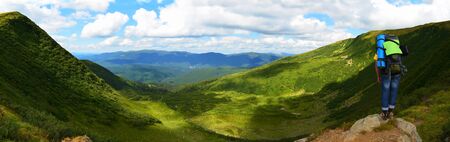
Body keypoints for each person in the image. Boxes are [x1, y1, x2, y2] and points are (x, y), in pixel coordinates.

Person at [374, 34, 408, 120]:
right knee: (394, 89)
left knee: (385, 90)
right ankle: (390, 112)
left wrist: (378, 76)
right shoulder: (396, 46)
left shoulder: (381, 48)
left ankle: (384, 113)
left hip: (386, 72)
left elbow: (377, 64)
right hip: (397, 70)